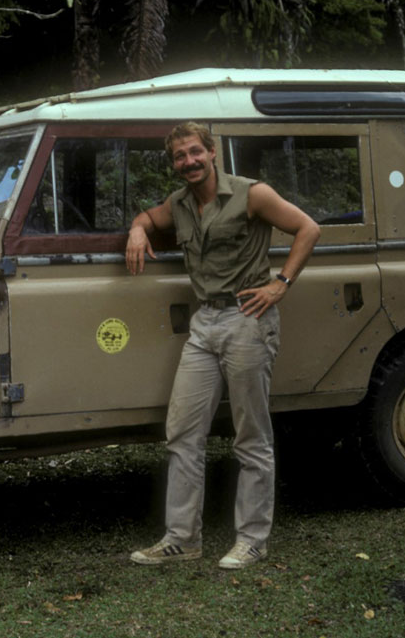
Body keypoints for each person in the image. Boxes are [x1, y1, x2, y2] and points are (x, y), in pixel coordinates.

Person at [126, 122, 320, 569]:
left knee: (250, 435)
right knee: (182, 432)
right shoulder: (179, 204)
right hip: (205, 322)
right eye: (179, 157)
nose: (189, 162)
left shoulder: (252, 194)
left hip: (247, 318)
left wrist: (280, 284)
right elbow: (148, 218)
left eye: (196, 152)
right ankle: (182, 538)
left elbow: (308, 229)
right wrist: (138, 230)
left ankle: (252, 539)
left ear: (212, 153)